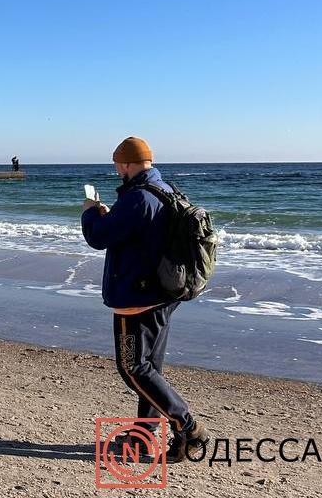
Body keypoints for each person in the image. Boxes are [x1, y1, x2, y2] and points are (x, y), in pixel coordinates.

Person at [80, 136, 207, 461]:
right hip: (165, 293)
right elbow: (135, 233)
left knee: (133, 367)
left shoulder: (137, 198)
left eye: (116, 165)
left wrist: (90, 213)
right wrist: (109, 216)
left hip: (137, 296)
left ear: (125, 164)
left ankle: (189, 426)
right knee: (150, 367)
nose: (116, 170)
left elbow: (98, 237)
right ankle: (142, 437)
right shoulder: (164, 189)